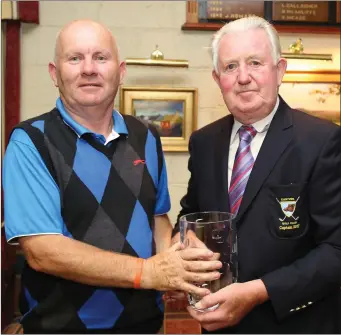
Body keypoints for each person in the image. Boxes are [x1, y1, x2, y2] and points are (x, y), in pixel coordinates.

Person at [3, 20, 222, 334]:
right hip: (61, 328)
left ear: (120, 72)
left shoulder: (146, 136)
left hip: (147, 325)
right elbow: (43, 250)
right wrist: (147, 272)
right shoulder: (31, 141)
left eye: (100, 58)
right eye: (75, 58)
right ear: (55, 73)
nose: (89, 69)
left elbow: (157, 218)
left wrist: (177, 261)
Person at [173, 16, 341, 333]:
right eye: (230, 67)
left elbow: (336, 250)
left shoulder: (321, 141)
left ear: (279, 70)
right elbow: (190, 215)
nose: (243, 77)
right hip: (218, 323)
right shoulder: (204, 142)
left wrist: (259, 291)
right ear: (216, 77)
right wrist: (184, 243)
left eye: (255, 63)